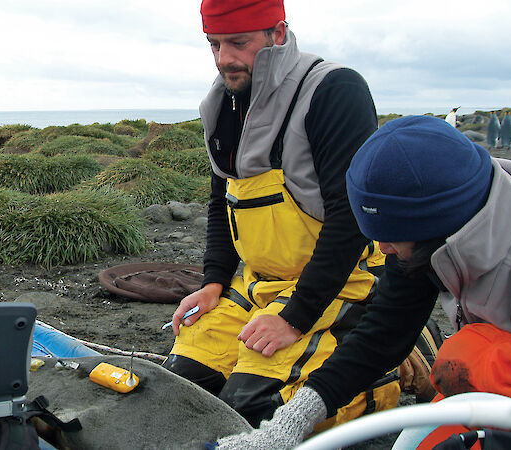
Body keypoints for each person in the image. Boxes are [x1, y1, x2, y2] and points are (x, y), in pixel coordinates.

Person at [216, 114, 511, 448]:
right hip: (495, 382)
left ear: (439, 224)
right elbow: (384, 332)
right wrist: (292, 420)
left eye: (390, 236)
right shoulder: (430, 237)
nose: (381, 248)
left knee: (480, 356)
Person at [163, 0, 401, 430]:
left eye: (238, 43)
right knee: (181, 386)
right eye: (213, 44)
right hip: (258, 285)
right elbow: (224, 201)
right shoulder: (221, 103)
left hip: (343, 281)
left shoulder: (332, 90)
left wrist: (294, 318)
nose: (223, 59)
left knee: (255, 407)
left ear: (277, 33)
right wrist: (213, 282)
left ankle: (386, 371)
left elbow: (351, 218)